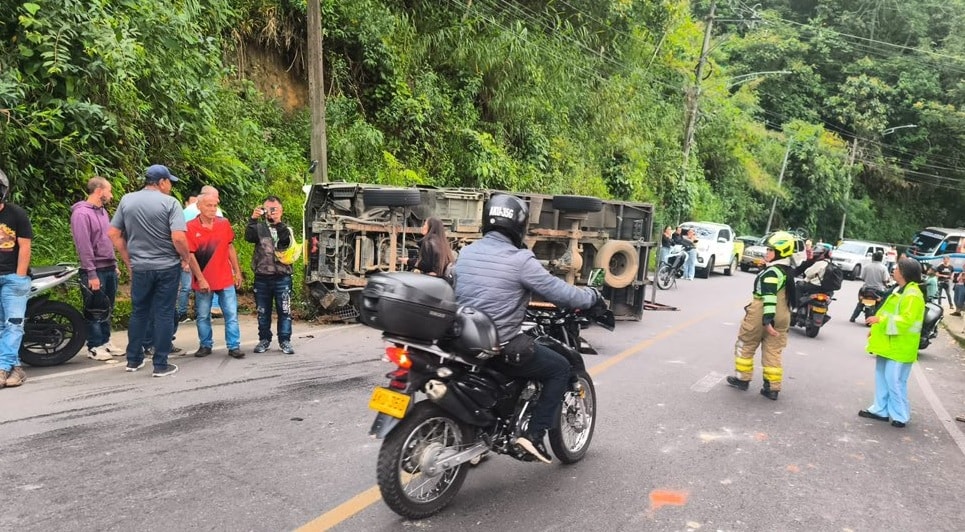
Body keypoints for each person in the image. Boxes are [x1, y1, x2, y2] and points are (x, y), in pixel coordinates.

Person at [454, 194, 602, 463]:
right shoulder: (520, 259)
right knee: (559, 368)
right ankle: (532, 436)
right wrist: (591, 297)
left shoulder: (466, 252)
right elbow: (561, 293)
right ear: (518, 226)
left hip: (461, 339)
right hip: (498, 345)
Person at [109, 164, 198, 377]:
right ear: (161, 182)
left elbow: (113, 233)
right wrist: (186, 258)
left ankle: (133, 360)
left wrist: (129, 261)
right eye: (169, 182)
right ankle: (160, 364)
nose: (170, 187)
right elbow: (178, 237)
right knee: (164, 313)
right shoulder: (170, 203)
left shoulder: (127, 200)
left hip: (140, 268)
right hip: (167, 267)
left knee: (139, 311)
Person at [726, 231, 797, 400]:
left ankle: (742, 379)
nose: (767, 253)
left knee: (746, 344)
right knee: (773, 351)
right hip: (784, 315)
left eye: (770, 250)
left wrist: (767, 320)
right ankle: (772, 388)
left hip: (762, 313)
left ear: (780, 252)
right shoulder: (786, 271)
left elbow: (770, 297)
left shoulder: (772, 273)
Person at [858, 258, 925, 428]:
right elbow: (887, 312)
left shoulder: (912, 295)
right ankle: (880, 410)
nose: (894, 270)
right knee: (882, 377)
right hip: (889, 344)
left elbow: (906, 320)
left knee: (894, 380)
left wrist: (880, 319)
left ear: (903, 273)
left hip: (900, 346)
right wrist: (875, 327)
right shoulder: (899, 290)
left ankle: (900, 415)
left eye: (896, 268)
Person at [186, 193, 244, 359]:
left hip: (225, 278)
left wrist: (237, 271)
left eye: (214, 206)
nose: (212, 209)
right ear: (199, 207)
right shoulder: (190, 227)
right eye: (208, 206)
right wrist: (201, 278)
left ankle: (234, 346)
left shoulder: (224, 224)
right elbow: (190, 255)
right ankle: (205, 344)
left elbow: (230, 248)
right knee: (203, 315)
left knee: (231, 314)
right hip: (203, 280)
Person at [70, 176, 121, 361]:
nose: (111, 194)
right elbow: (84, 246)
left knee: (107, 307)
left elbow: (108, 239)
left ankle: (106, 341)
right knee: (95, 309)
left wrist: (114, 264)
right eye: (109, 190)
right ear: (99, 191)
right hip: (94, 269)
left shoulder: (102, 212)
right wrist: (91, 273)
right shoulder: (81, 214)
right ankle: (94, 345)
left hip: (108, 266)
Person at [245, 196, 296, 355]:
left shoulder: (287, 229)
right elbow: (248, 237)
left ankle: (285, 340)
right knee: (262, 311)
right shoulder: (259, 228)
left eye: (275, 209)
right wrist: (253, 219)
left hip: (282, 277)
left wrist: (277, 222)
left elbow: (285, 241)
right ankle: (264, 339)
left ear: (281, 210)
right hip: (262, 276)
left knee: (285, 310)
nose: (271, 212)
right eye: (268, 209)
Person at [0, 168, 33, 389]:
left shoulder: (16, 214)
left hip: (13, 278)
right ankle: (17, 368)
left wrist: (20, 276)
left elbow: (25, 247)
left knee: (13, 325)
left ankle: (2, 368)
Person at [849, 251, 890, 322]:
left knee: (860, 303)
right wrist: (886, 285)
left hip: (866, 289)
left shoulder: (866, 266)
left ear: (873, 258)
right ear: (881, 258)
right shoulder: (883, 268)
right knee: (882, 302)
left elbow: (862, 277)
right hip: (879, 290)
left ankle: (853, 317)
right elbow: (885, 279)